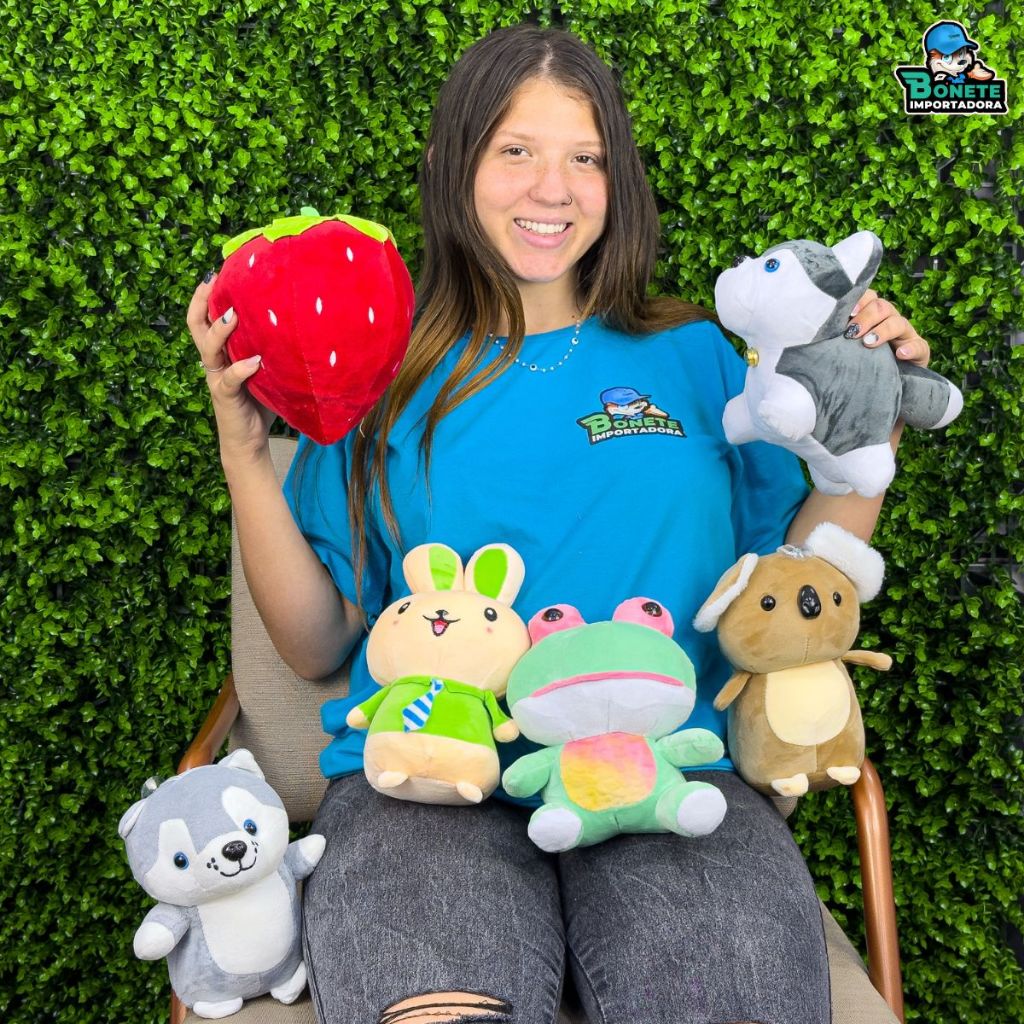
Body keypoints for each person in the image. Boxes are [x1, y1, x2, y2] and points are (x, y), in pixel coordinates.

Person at [188, 24, 929, 1024]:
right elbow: (316, 642)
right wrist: (244, 451)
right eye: (516, 151)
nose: (554, 189)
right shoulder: (384, 376)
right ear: (452, 166)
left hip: (670, 777)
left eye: (586, 158)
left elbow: (797, 577)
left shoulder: (699, 358)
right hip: (429, 781)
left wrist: (865, 427)